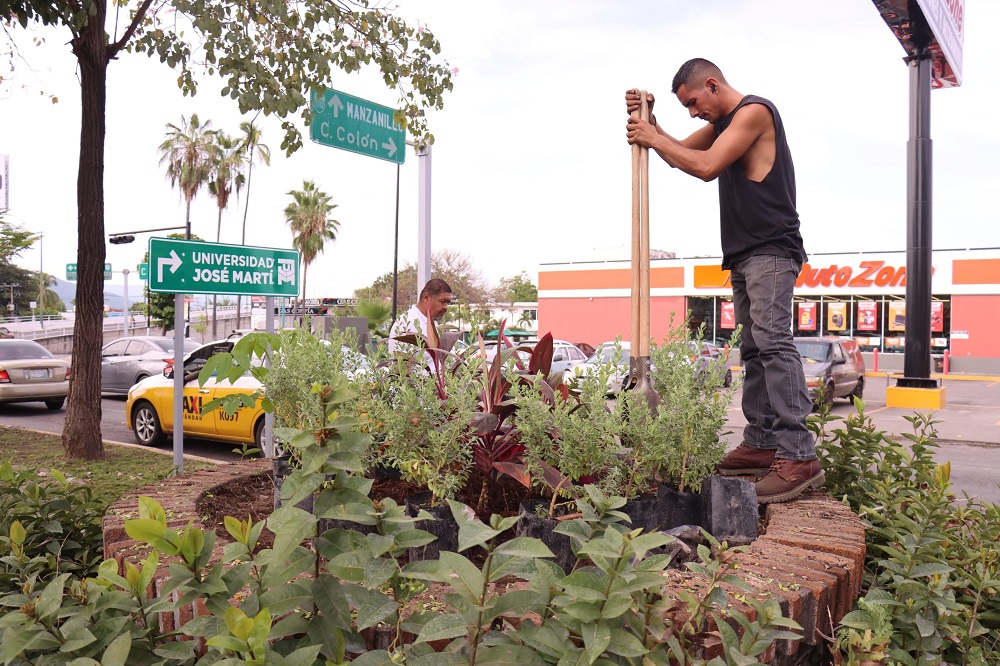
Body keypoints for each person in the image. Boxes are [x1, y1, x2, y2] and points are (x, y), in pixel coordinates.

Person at [625, 58, 823, 503]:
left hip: (772, 249)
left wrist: (652, 134)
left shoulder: (755, 112)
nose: (693, 113)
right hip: (745, 253)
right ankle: (762, 442)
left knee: (773, 342)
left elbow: (706, 166)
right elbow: (678, 154)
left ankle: (799, 455)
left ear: (712, 84)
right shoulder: (723, 125)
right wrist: (651, 124)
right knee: (753, 347)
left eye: (694, 102)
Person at [387, 278, 453, 371]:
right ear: (426, 297)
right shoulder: (408, 323)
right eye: (442, 301)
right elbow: (401, 372)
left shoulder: (430, 323)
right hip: (417, 385)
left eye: (448, 303)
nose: (446, 307)